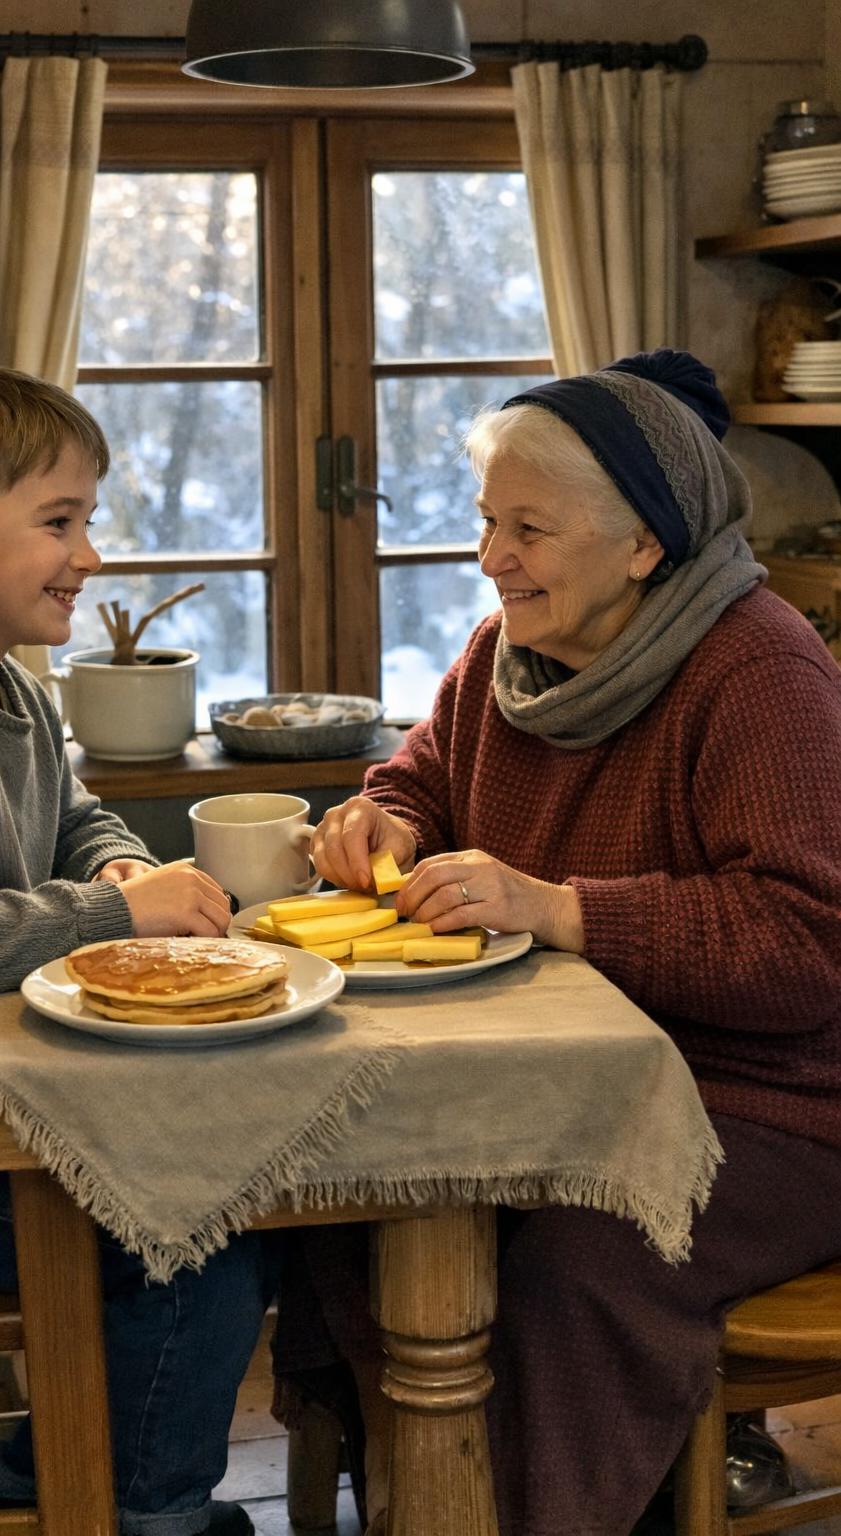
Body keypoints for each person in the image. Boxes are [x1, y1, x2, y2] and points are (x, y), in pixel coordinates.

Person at [273, 349, 841, 1536]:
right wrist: (384, 820)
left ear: (645, 543)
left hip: (766, 1108)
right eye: (487, 521)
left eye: (528, 529)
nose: (491, 559)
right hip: (561, 1079)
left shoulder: (761, 671)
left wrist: (558, 905)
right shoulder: (506, 656)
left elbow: (805, 944)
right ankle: (423, 1501)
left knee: (577, 1273)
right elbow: (419, 775)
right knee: (345, 1209)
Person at [0, 361, 277, 1536]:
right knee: (191, 1241)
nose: (92, 554)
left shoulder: (7, 688)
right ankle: (141, 1512)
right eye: (60, 521)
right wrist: (121, 914)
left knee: (200, 1214)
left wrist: (119, 866)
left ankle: (59, 1488)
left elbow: (71, 821)